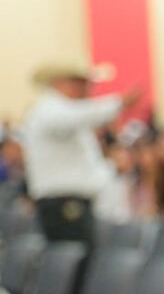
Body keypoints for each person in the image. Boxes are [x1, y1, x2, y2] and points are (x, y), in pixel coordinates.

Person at [22, 61, 140, 246]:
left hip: (71, 202)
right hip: (63, 203)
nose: (87, 89)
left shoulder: (61, 114)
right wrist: (118, 103)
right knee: (75, 261)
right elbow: (81, 116)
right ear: (58, 83)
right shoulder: (50, 110)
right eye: (79, 82)